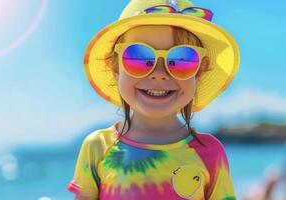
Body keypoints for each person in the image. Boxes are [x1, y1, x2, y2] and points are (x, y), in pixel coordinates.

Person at [67, 0, 240, 199]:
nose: (159, 74)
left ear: (199, 72)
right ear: (116, 69)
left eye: (182, 60)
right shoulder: (97, 147)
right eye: (139, 58)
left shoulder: (210, 153)